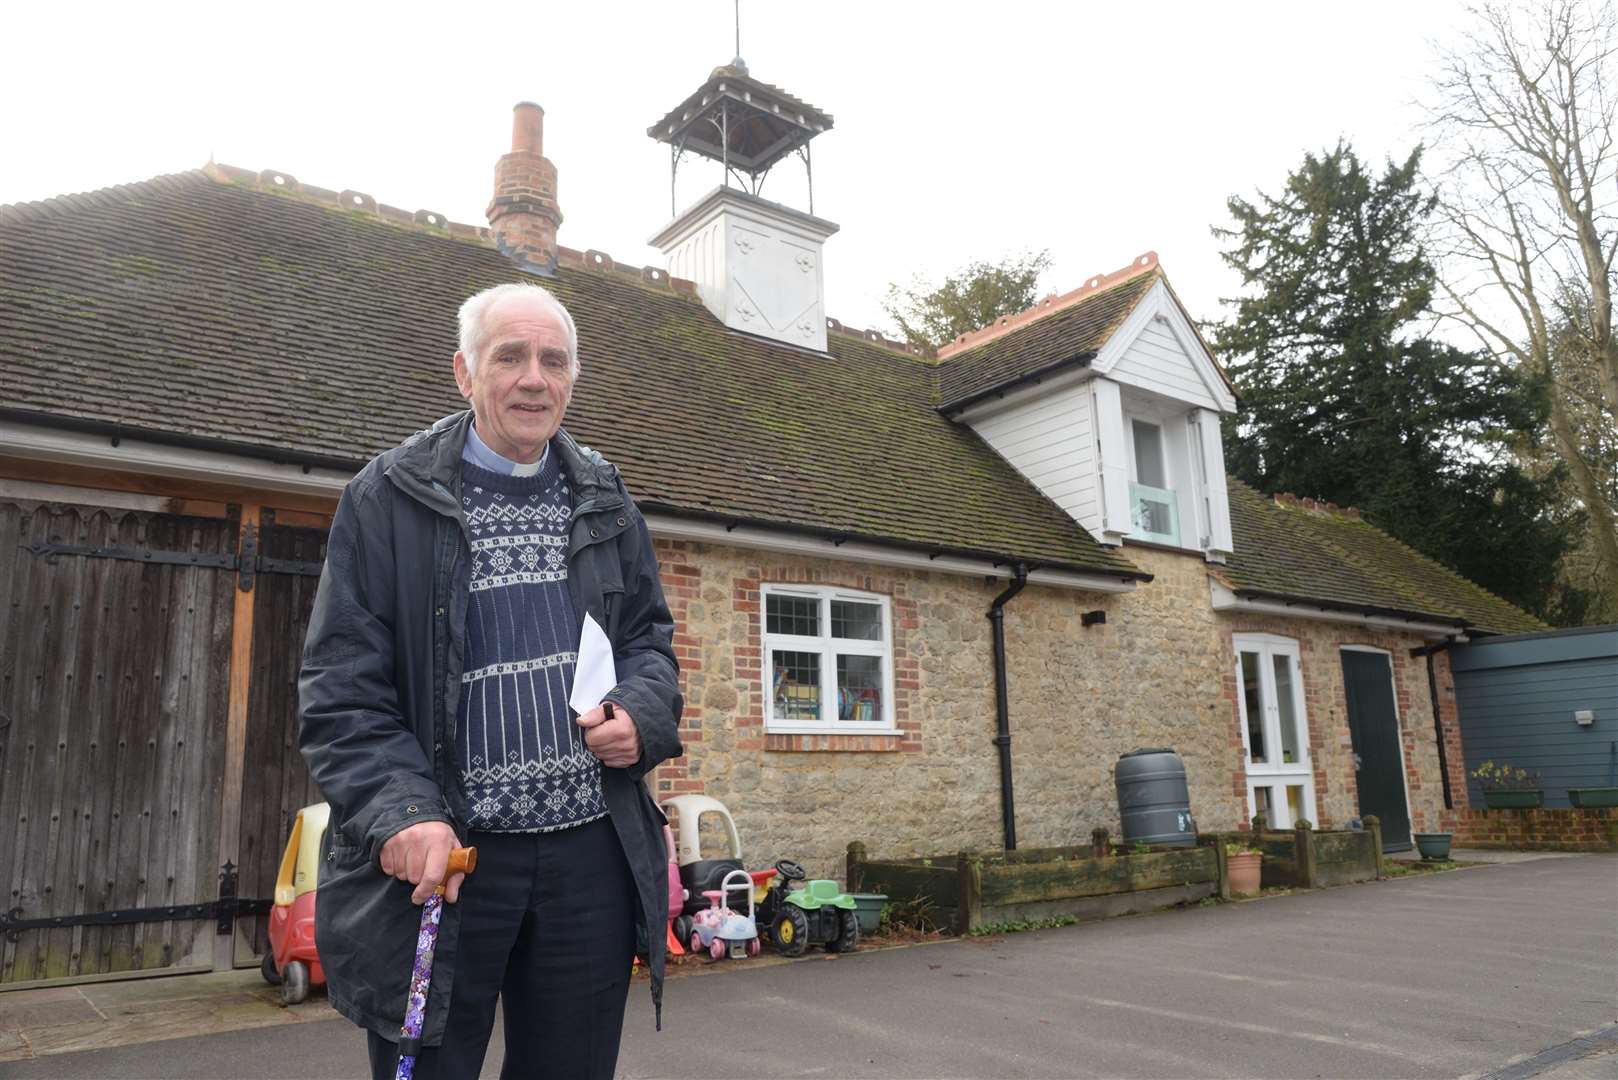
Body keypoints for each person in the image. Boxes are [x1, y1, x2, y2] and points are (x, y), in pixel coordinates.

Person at [299, 281, 683, 1080]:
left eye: (554, 359)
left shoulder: (607, 499)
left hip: (588, 853)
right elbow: (342, 688)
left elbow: (649, 642)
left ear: (573, 376)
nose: (534, 378)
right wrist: (402, 813)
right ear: (464, 374)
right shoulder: (386, 499)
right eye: (509, 356)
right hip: (451, 858)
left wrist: (641, 714)